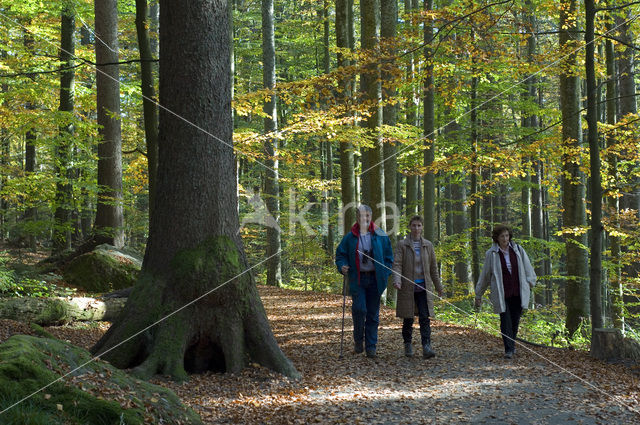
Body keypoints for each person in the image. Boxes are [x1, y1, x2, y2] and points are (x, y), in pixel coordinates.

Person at [336, 205, 393, 358]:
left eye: (367, 216)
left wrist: (385, 272)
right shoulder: (350, 237)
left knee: (373, 314)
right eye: (361, 216)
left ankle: (371, 346)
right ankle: (358, 340)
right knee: (360, 310)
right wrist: (342, 266)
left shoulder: (380, 235)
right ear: (357, 218)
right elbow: (340, 255)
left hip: (375, 279)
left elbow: (389, 257)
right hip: (358, 279)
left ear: (371, 217)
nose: (365, 219)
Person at [474, 224, 537, 359]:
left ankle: (512, 345)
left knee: (515, 320)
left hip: (518, 291)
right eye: (502, 236)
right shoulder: (491, 254)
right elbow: (485, 275)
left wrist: (531, 282)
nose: (505, 238)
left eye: (507, 235)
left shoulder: (518, 250)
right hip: (502, 293)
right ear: (496, 238)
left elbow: (527, 267)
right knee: (505, 320)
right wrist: (478, 294)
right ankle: (508, 349)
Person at [392, 215, 443, 359]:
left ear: (422, 227)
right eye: (413, 225)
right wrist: (397, 280)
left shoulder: (428, 245)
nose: (416, 228)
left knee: (424, 317)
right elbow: (397, 265)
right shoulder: (402, 245)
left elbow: (433, 269)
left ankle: (426, 346)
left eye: (419, 225)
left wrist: (439, 287)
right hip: (407, 287)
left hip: (424, 287)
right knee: (408, 318)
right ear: (410, 227)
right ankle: (407, 344)